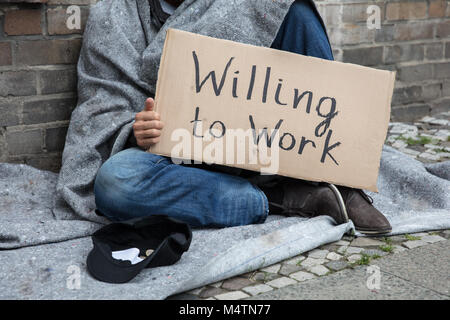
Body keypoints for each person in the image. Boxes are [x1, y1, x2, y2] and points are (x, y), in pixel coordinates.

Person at [79, 0, 392, 234]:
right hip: (182, 164)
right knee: (115, 184)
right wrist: (136, 131)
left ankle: (336, 181)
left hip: (260, 145)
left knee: (294, 9)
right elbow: (101, 111)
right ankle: (283, 199)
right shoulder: (112, 18)